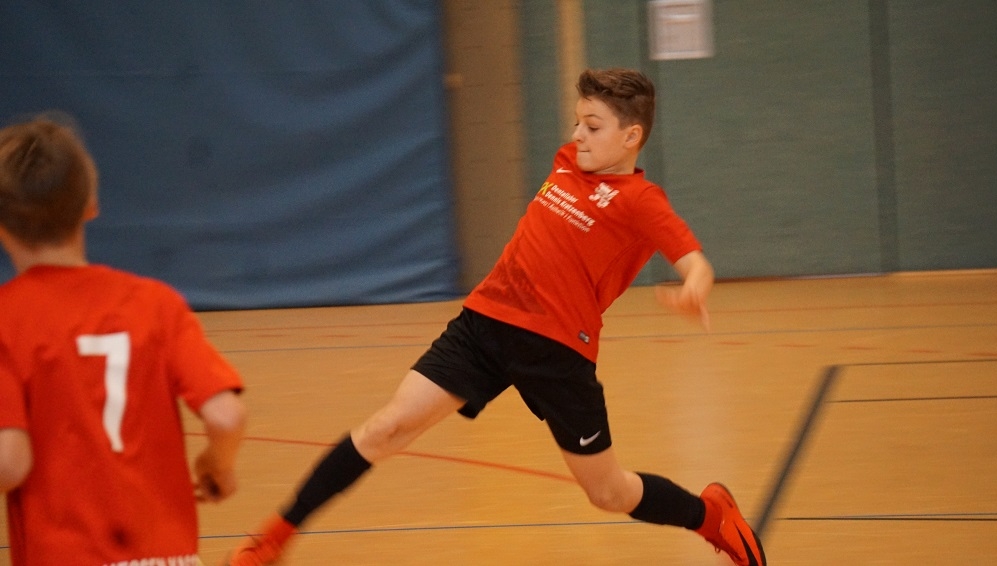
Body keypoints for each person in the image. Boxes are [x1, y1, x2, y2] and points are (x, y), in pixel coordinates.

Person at [223, 68, 766, 566]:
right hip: (484, 324)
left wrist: (694, 287)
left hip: (557, 350)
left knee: (608, 492)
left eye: (593, 126)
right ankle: (274, 538)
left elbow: (695, 262)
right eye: (577, 121)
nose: (577, 134)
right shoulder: (566, 161)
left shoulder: (640, 200)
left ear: (632, 137)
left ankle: (710, 515)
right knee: (387, 427)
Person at [0, 114, 248, 564]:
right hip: (166, 554)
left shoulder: (7, 318)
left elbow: (10, 461)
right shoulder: (155, 303)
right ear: (90, 204)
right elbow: (226, 416)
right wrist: (218, 464)